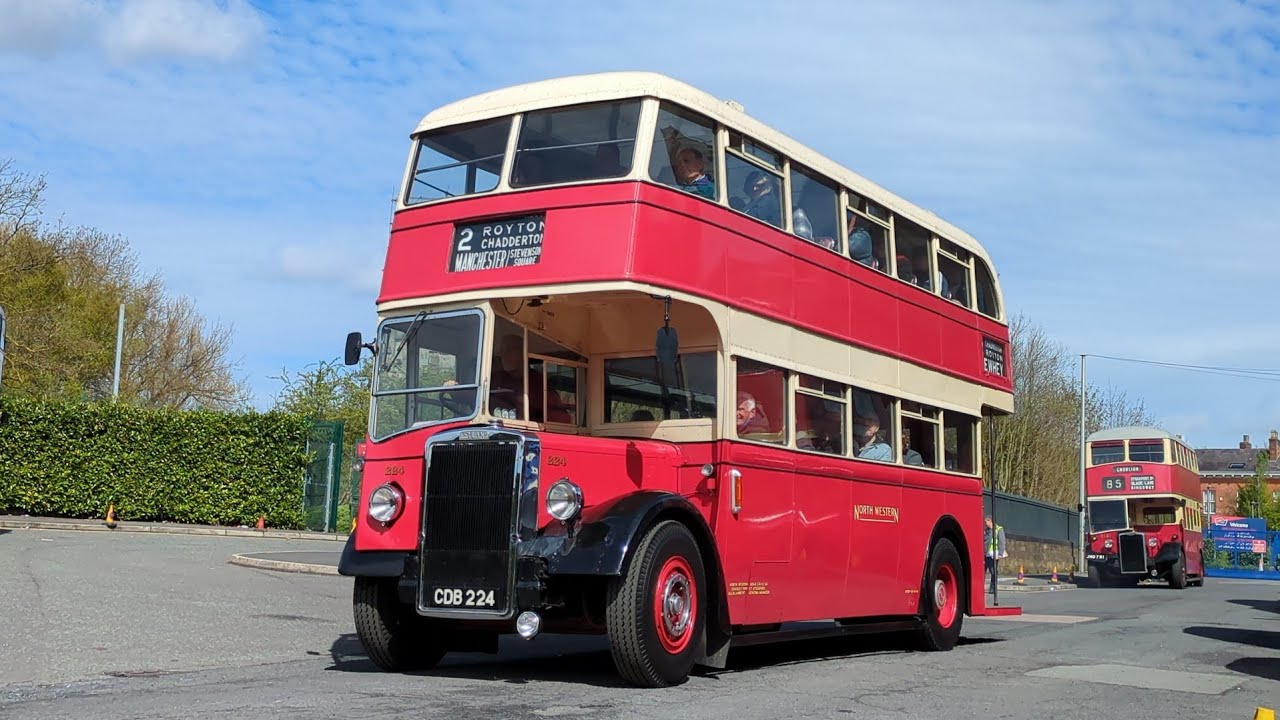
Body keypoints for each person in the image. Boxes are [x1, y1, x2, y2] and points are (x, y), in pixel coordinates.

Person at [984, 515, 1007, 593]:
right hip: (986, 554)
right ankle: (981, 588)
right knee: (982, 572)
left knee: (993, 572)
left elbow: (1002, 542)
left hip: (994, 554)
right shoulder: (986, 531)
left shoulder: (998, 529)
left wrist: (1000, 553)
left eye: (986, 521)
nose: (985, 523)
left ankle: (993, 589)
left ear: (990, 521)